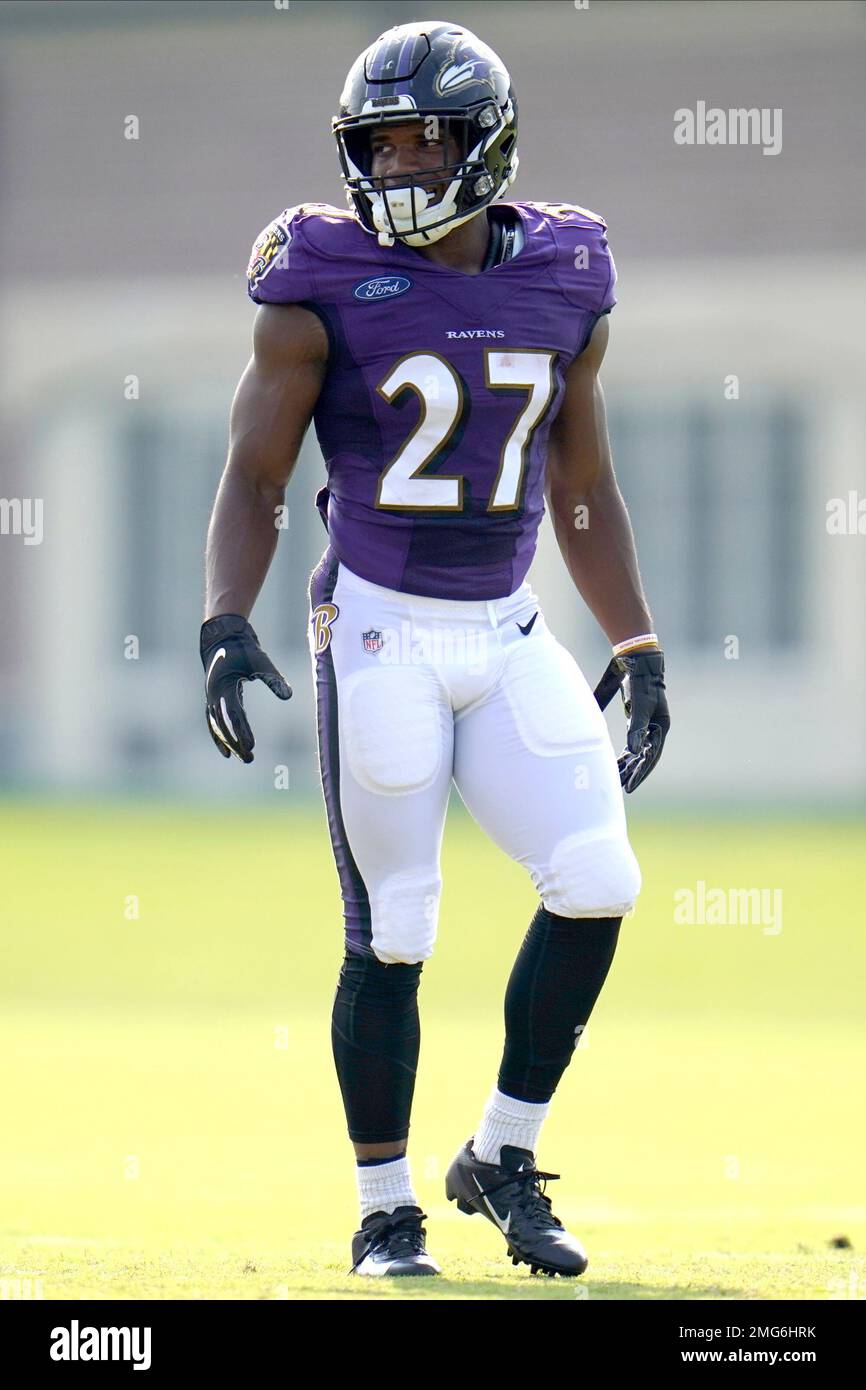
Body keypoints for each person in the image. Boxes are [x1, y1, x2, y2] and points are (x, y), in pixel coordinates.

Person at [201, 19, 669, 1279]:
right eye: (380, 142)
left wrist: (633, 636)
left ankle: (500, 1155)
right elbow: (255, 474)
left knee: (596, 878)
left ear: (488, 144)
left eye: (426, 139)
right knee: (396, 926)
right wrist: (225, 618)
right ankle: (382, 1208)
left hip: (508, 628)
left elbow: (580, 477)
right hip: (378, 625)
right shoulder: (318, 272)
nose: (400, 165)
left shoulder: (567, 268)